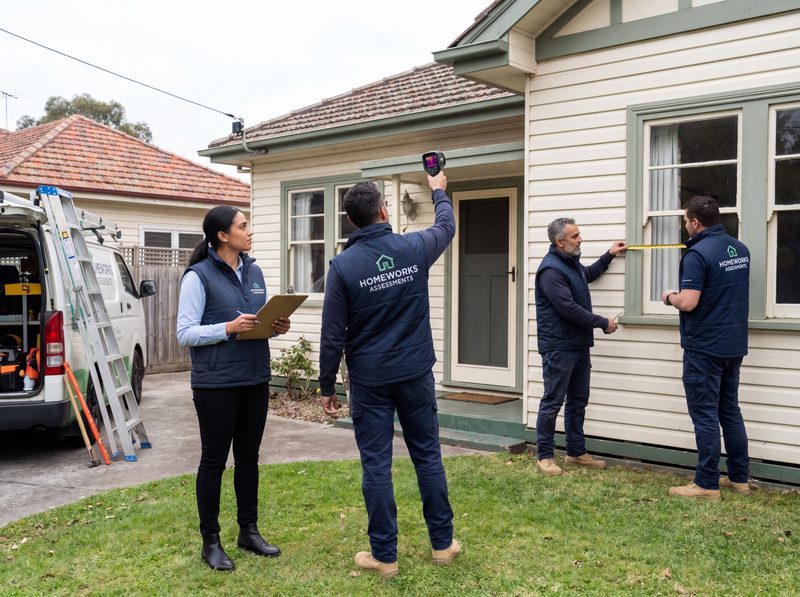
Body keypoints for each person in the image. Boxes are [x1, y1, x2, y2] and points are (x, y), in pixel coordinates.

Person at [319, 175, 459, 579]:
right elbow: (446, 225)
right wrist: (438, 188)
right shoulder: (413, 247)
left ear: (351, 222)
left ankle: (385, 556)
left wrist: (326, 386)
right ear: (383, 211)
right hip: (414, 373)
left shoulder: (343, 267)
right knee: (427, 455)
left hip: (370, 380)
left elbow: (332, 334)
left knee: (377, 464)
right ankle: (442, 544)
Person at [177, 206, 290, 571]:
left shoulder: (254, 271)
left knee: (249, 458)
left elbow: (256, 323)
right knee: (213, 462)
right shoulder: (198, 276)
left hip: (255, 379)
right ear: (223, 236)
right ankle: (210, 541)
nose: (249, 231)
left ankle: (248, 531)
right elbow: (185, 332)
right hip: (216, 385)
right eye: (243, 226)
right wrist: (227, 328)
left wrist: (275, 326)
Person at [662, 195, 750, 500]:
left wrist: (669, 296)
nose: (686, 225)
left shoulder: (697, 254)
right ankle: (739, 478)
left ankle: (706, 484)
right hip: (733, 345)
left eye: (686, 221)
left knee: (705, 415)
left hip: (704, 348)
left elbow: (689, 302)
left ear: (696, 222)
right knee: (730, 411)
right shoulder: (740, 249)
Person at [534, 218, 627, 476]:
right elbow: (568, 309)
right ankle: (545, 456)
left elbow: (587, 275)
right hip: (558, 347)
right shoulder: (550, 271)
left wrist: (609, 254)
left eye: (579, 234)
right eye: (575, 236)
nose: (580, 239)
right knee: (553, 400)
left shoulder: (570, 263)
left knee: (578, 401)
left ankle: (575, 452)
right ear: (559, 242)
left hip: (578, 345)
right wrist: (602, 322)